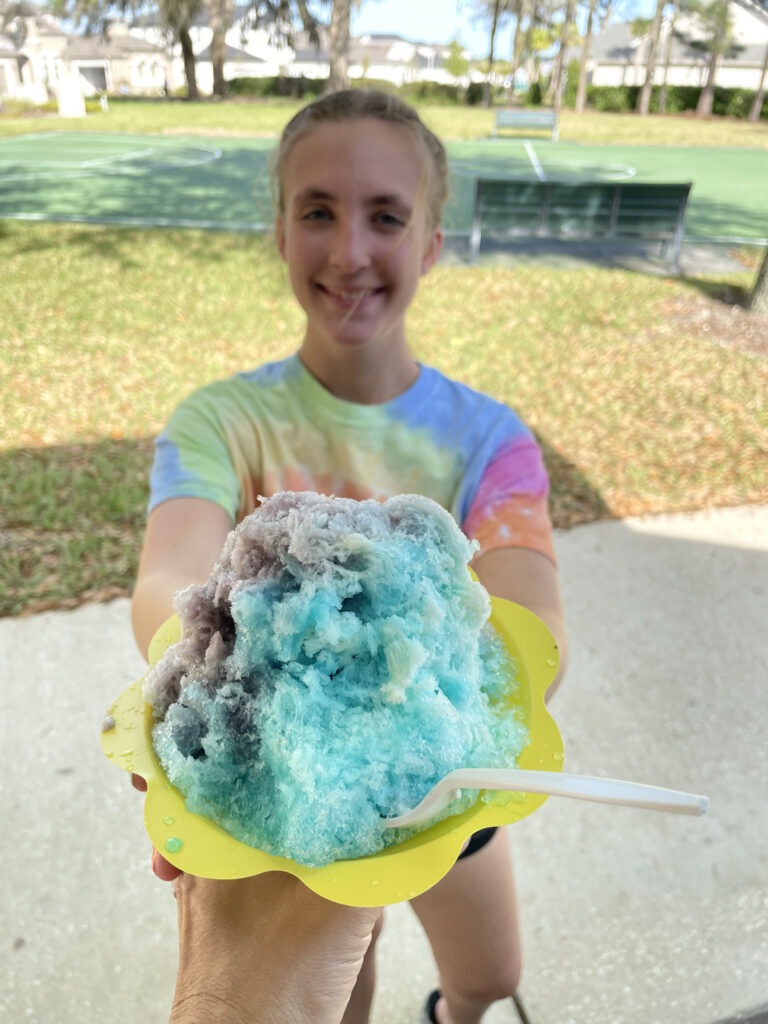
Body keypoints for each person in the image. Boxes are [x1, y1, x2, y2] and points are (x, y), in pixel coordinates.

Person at [131, 89, 567, 1024]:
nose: (348, 252)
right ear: (280, 233)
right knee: (337, 997)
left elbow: (532, 619)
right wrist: (203, 670)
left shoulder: (491, 440)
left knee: (490, 974)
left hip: (446, 775)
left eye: (386, 217)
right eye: (317, 211)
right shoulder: (221, 422)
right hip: (297, 785)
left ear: (432, 242)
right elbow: (170, 575)